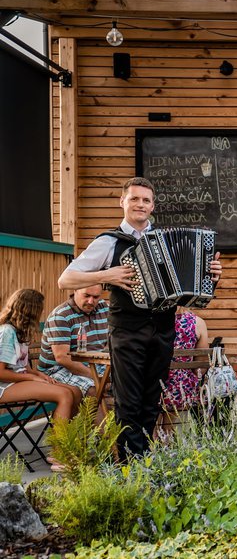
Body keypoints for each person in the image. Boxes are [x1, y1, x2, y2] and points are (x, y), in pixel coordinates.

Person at [58, 177, 222, 460]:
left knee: (151, 401)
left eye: (146, 200)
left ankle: (143, 460)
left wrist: (210, 277)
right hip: (128, 331)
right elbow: (65, 279)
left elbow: (189, 294)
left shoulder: (165, 241)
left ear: (153, 206)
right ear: (122, 202)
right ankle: (128, 467)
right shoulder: (108, 242)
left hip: (162, 331)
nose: (140, 204)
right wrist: (106, 275)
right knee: (128, 402)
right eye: (134, 198)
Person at [0, 289, 78, 424]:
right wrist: (32, 377)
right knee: (64, 394)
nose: (41, 313)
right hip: (4, 386)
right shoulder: (7, 332)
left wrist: (39, 375)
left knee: (75, 391)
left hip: (17, 381)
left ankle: (69, 440)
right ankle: (60, 444)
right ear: (30, 311)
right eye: (40, 309)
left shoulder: (20, 332)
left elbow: (24, 367)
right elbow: (1, 373)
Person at [39, 285, 110, 400]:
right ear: (75, 290)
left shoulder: (104, 308)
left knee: (131, 380)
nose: (91, 301)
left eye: (96, 297)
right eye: (86, 296)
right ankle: (102, 418)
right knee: (95, 389)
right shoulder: (61, 315)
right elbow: (62, 358)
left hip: (95, 363)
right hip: (57, 369)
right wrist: (98, 378)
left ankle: (120, 417)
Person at [157, 309, 209, 438]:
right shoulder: (197, 323)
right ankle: (167, 438)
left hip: (153, 386)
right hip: (182, 390)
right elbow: (200, 367)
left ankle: (153, 440)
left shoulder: (152, 320)